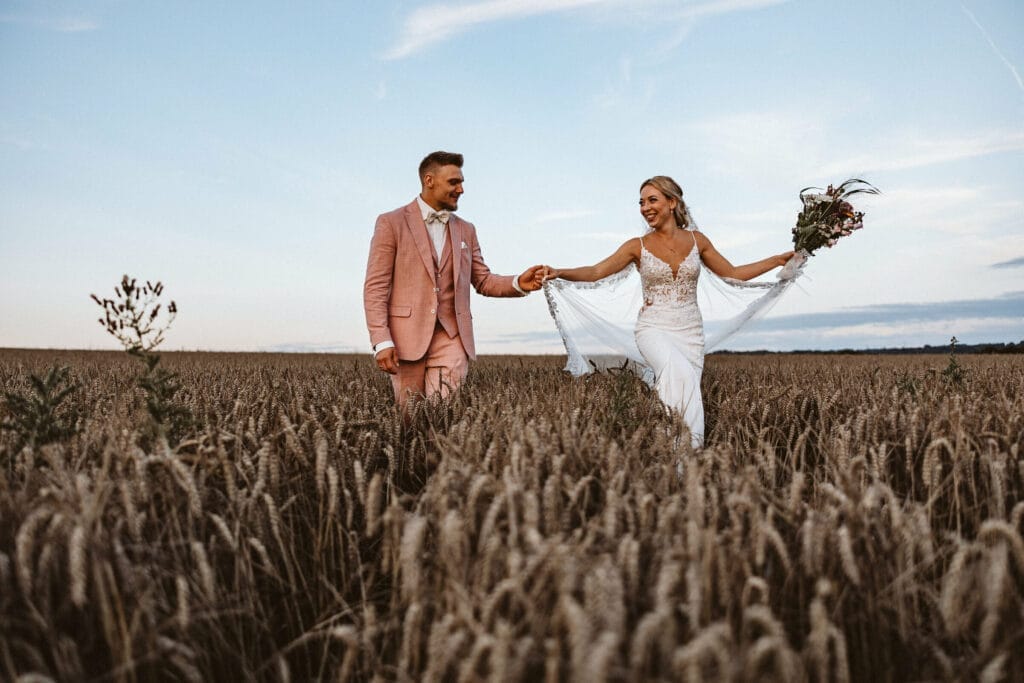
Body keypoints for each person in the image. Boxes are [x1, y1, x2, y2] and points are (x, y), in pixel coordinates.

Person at [540, 176, 794, 447]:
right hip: (653, 328)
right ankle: (686, 459)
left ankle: (680, 461)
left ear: (672, 203)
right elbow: (596, 271)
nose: (645, 208)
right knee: (677, 372)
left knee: (686, 392)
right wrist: (560, 271)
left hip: (691, 333)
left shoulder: (699, 241)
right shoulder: (635, 246)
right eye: (641, 202)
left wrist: (777, 260)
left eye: (652, 200)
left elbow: (733, 273)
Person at [364, 151, 545, 408]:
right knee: (409, 418)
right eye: (454, 182)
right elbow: (375, 287)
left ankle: (442, 448)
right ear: (429, 180)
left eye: (461, 182)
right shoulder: (390, 223)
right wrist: (382, 340)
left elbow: (482, 280)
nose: (461, 189)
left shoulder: (466, 230)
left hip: (452, 337)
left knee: (442, 415)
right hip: (406, 339)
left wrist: (518, 282)